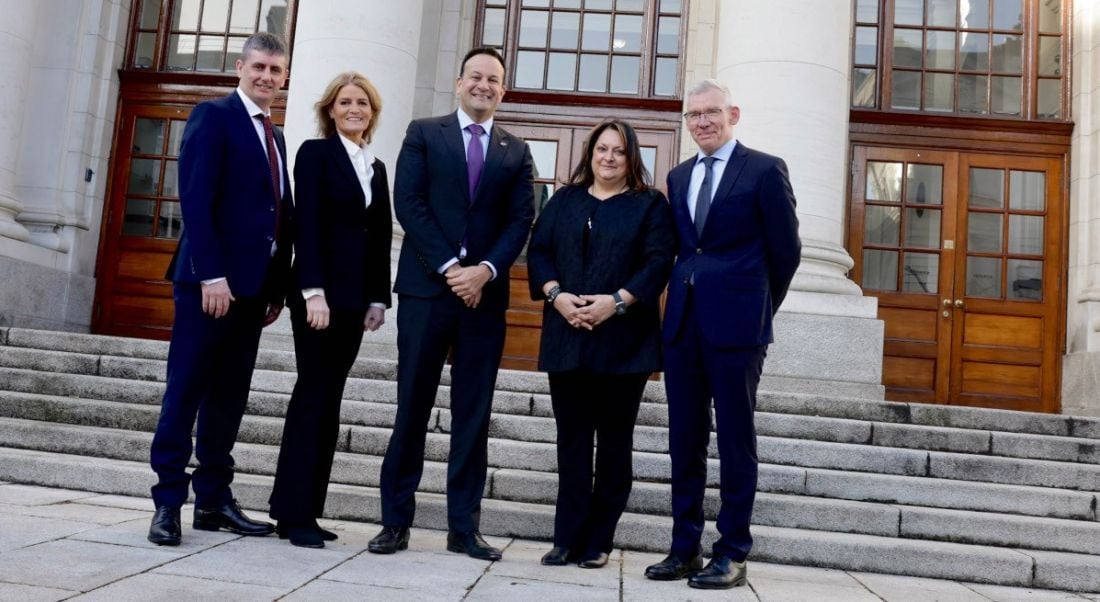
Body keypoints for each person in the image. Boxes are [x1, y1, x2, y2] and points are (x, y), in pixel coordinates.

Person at [369, 47, 535, 561]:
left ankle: (464, 527)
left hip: (484, 299)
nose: (485, 85)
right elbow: (409, 203)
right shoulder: (424, 132)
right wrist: (451, 268)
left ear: (502, 90)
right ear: (459, 82)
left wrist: (484, 271)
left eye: (495, 80)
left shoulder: (516, 149)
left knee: (473, 415)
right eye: (477, 77)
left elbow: (520, 220)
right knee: (411, 408)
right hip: (427, 290)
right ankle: (395, 522)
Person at [644, 79, 801, 589]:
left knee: (736, 441)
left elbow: (786, 253)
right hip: (684, 324)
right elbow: (683, 250)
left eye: (711, 112)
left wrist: (756, 306)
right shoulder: (679, 174)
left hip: (738, 329)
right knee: (684, 440)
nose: (703, 122)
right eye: (694, 116)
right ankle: (683, 548)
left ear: (732, 113)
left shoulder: (764, 169)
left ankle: (732, 550)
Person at [147, 32, 293, 546]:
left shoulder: (273, 136)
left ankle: (213, 500)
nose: (267, 77)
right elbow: (195, 198)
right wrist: (212, 274)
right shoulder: (213, 116)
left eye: (276, 70)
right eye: (259, 67)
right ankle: (168, 503)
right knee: (185, 392)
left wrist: (275, 290)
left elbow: (276, 218)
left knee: (229, 398)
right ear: (240, 66)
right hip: (207, 286)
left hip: (252, 295)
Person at [527, 120, 675, 569]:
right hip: (566, 336)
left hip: (624, 343)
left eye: (619, 151)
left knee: (614, 443)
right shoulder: (565, 200)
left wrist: (617, 302)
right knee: (571, 441)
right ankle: (566, 538)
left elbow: (657, 261)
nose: (609, 158)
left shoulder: (650, 205)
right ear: (590, 153)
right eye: (602, 149)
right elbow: (539, 252)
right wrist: (557, 296)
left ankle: (599, 541)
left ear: (631, 158)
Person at [267, 72, 393, 548]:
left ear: (372, 112)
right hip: (319, 299)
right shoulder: (315, 154)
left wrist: (379, 298)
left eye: (363, 102)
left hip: (357, 300)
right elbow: (308, 224)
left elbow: (380, 234)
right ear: (331, 110)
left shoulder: (376, 166)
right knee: (313, 398)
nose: (354, 108)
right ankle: (291, 514)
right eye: (345, 102)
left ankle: (306, 510)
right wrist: (312, 292)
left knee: (330, 401)